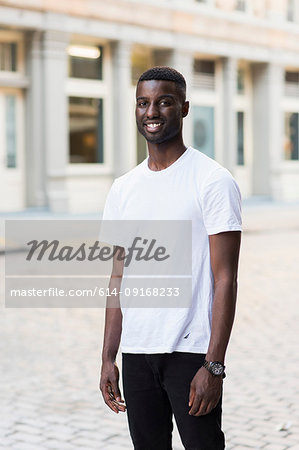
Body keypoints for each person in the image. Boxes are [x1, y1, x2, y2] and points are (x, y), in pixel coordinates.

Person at [99, 66, 242, 450]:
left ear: (184, 108)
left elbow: (226, 278)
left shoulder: (212, 181)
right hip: (138, 352)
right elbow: (118, 278)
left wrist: (213, 366)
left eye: (164, 102)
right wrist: (108, 356)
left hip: (191, 352)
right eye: (143, 103)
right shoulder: (123, 188)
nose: (152, 111)